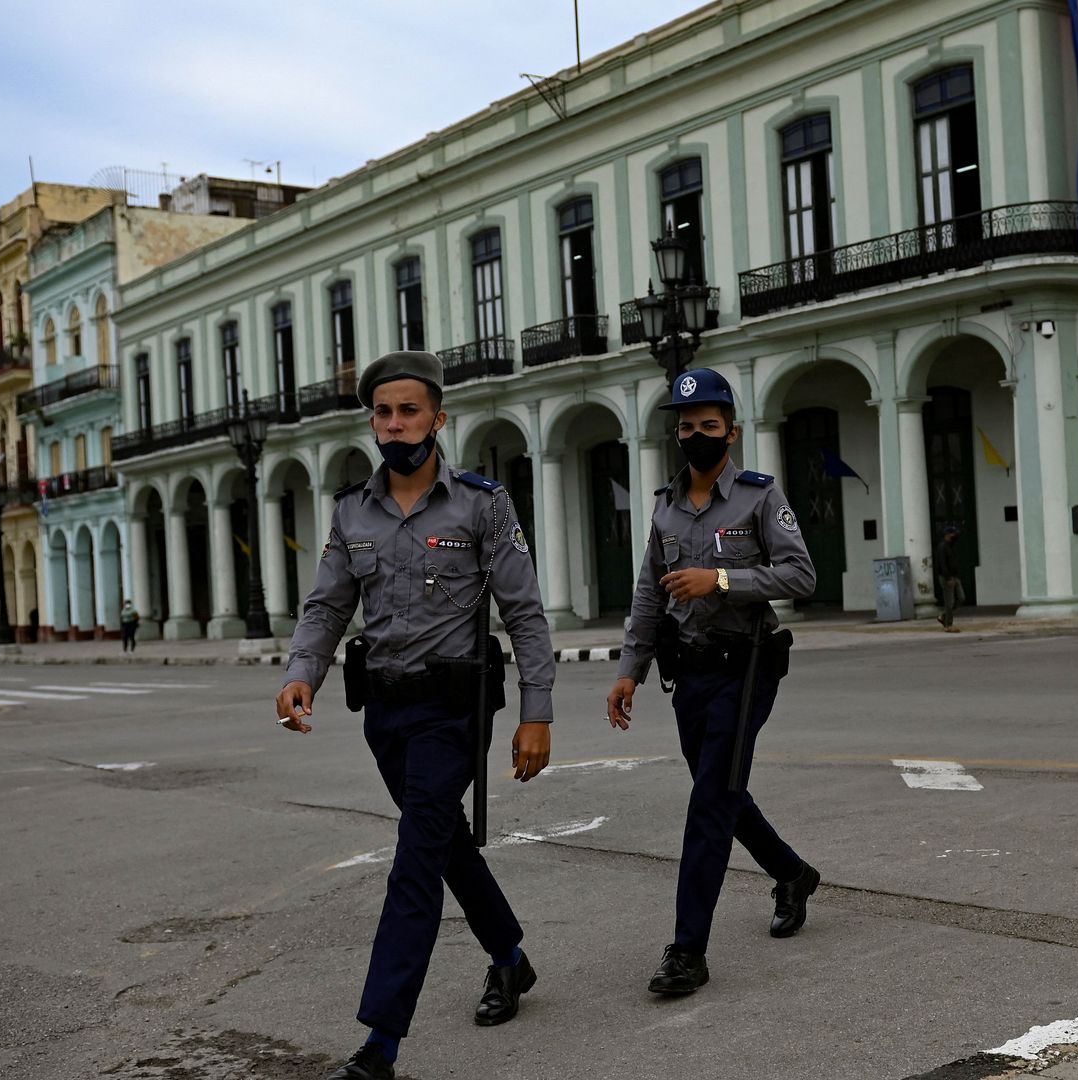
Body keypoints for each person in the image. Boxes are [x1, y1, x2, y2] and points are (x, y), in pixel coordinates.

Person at [274, 351, 557, 1080]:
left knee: (414, 863)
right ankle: (510, 959)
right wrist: (301, 673)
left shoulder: (481, 504)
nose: (395, 424)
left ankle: (381, 1044)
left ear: (438, 417)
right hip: (386, 715)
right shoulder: (351, 511)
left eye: (409, 410)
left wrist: (537, 712)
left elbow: (523, 613)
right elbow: (329, 606)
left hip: (454, 710)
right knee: (444, 844)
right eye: (382, 412)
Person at [606, 366, 820, 997]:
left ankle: (687, 950)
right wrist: (629, 670)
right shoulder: (666, 508)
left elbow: (801, 575)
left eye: (708, 425)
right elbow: (649, 593)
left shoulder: (759, 495)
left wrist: (723, 580)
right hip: (689, 673)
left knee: (707, 806)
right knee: (719, 789)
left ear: (731, 431)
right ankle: (791, 872)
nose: (695, 435)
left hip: (747, 667)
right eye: (686, 427)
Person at [936, 525, 966, 631]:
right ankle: (948, 624)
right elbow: (942, 564)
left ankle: (943, 615)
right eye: (953, 534)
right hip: (946, 577)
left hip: (955, 576)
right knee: (950, 602)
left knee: (961, 597)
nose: (955, 536)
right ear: (947, 535)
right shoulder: (942, 547)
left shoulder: (951, 546)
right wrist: (948, 578)